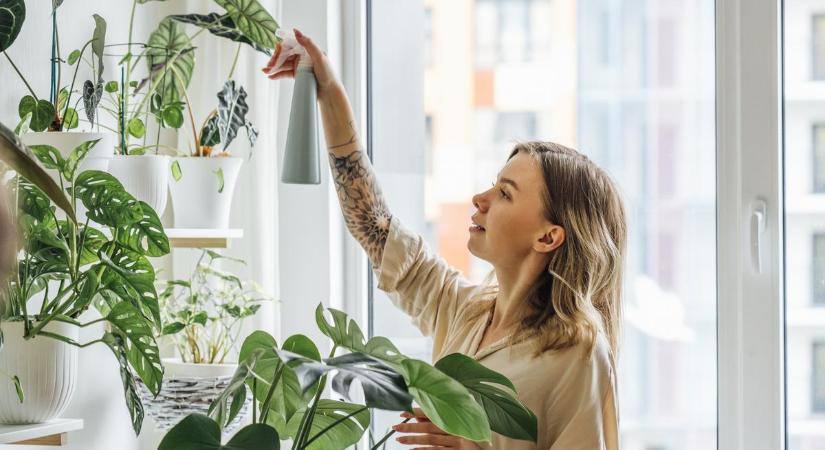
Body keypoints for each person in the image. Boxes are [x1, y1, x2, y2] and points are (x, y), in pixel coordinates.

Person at [264, 28, 626, 450]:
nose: (481, 199)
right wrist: (329, 90)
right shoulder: (465, 312)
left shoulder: (578, 353)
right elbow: (374, 226)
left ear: (548, 236)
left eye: (505, 193)